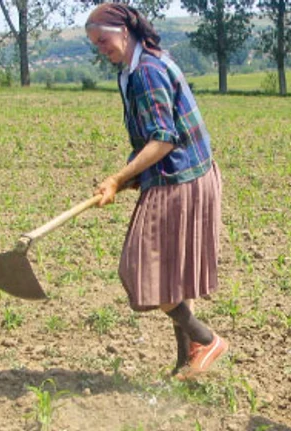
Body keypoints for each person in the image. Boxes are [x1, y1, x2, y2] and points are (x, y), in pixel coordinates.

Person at [85, 3, 228, 380]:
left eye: (104, 40)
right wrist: (133, 174)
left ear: (124, 30)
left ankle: (206, 338)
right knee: (173, 277)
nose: (101, 48)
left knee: (139, 270)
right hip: (183, 175)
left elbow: (164, 139)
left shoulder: (146, 71)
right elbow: (153, 135)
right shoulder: (135, 68)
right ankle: (187, 362)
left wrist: (118, 178)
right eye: (95, 44)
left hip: (178, 179)